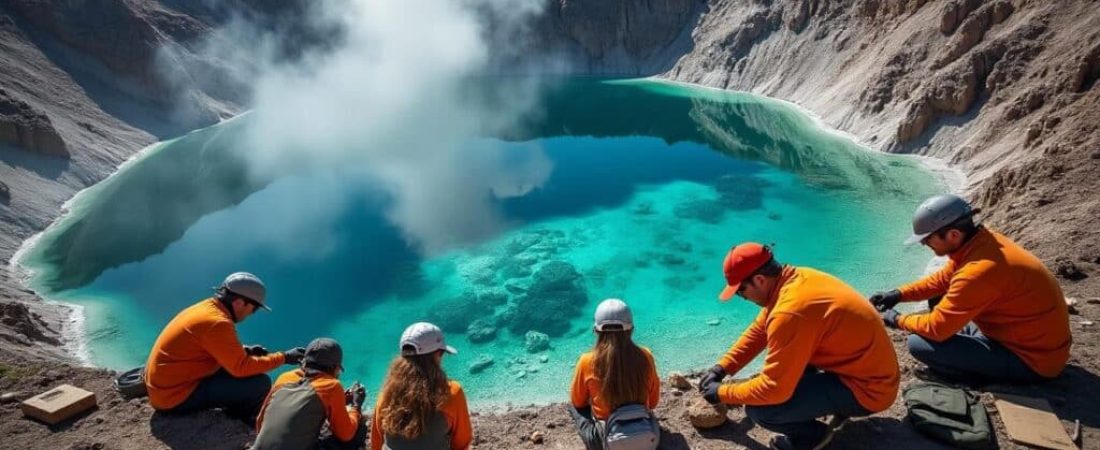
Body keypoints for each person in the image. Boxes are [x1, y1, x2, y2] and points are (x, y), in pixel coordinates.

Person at [700, 243, 899, 450]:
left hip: (870, 391)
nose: (743, 298)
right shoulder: (797, 278)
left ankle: (813, 438)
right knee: (783, 369)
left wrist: (722, 392)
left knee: (761, 410)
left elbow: (774, 390)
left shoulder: (790, 312)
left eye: (741, 292)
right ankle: (824, 403)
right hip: (869, 372)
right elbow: (760, 330)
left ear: (759, 279)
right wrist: (723, 367)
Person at [870, 194, 1072, 383]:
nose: (924, 243)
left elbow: (936, 329)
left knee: (919, 344)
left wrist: (897, 320)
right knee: (940, 308)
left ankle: (976, 378)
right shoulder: (983, 244)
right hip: (1035, 342)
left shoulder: (978, 271)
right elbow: (942, 280)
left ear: (953, 234)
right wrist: (898, 294)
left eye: (927, 238)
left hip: (1032, 362)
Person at [144, 272, 306, 421]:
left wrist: (245, 350)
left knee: (245, 370)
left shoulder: (207, 308)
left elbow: (208, 345)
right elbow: (240, 368)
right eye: (254, 308)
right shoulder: (217, 323)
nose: (252, 313)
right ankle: (240, 417)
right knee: (259, 384)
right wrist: (284, 357)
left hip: (165, 386)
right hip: (173, 398)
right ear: (239, 303)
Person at [568, 298, 661, 450]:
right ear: (631, 329)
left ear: (597, 330)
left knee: (574, 406)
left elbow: (578, 402)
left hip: (606, 440)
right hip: (646, 435)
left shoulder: (586, 361)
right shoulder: (646, 356)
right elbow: (653, 402)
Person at [370, 322, 472, 450]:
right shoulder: (452, 392)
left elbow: (376, 442)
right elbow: (462, 444)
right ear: (437, 354)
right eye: (441, 353)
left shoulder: (386, 396)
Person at [253, 337, 366, 450]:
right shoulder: (332, 385)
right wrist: (356, 406)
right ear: (334, 367)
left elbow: (260, 422)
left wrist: (341, 400)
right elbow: (346, 435)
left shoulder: (284, 377)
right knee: (359, 430)